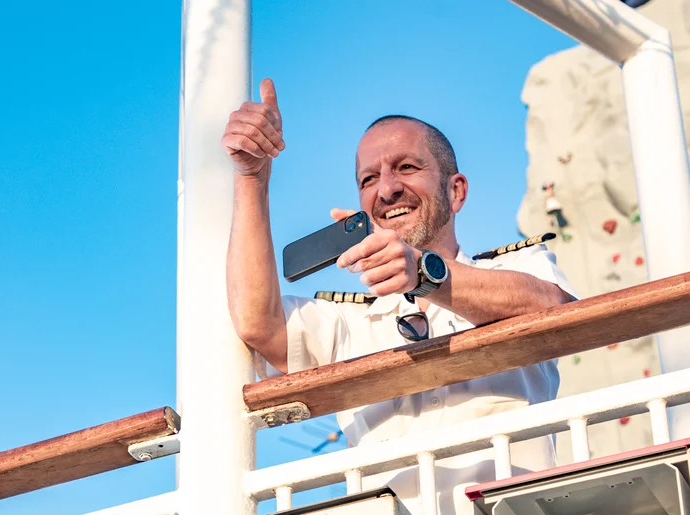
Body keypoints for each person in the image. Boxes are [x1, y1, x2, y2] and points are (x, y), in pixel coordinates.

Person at [222, 78, 577, 515]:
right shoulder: (345, 322)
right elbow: (258, 321)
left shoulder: (516, 269)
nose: (386, 189)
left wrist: (426, 276)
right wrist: (251, 179)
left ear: (456, 190)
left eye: (407, 167)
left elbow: (554, 308)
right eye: (369, 178)